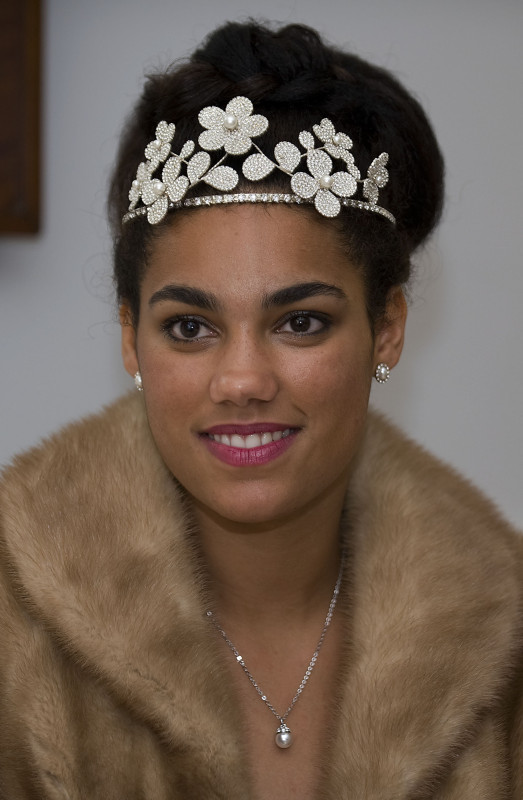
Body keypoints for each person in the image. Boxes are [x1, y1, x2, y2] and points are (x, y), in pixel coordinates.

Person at [0, 20, 522, 800]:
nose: (241, 380)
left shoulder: (505, 638)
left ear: (386, 328)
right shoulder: (13, 625)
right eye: (190, 327)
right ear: (131, 341)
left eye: (299, 322)